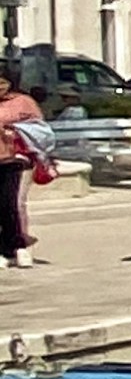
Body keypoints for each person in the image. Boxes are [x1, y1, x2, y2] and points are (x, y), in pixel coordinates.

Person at [0, 77, 49, 269]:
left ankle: (17, 247)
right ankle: (9, 246)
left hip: (16, 159)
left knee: (11, 203)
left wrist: (16, 130)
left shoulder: (23, 102)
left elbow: (40, 130)